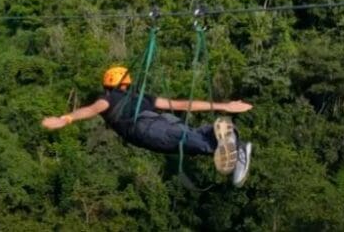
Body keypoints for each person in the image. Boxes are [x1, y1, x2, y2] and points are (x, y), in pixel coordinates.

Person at [41, 65, 254, 186]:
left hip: (145, 130)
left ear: (108, 86)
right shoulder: (141, 96)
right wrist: (223, 106)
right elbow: (181, 104)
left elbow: (91, 109)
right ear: (127, 83)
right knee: (190, 134)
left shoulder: (108, 98)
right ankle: (229, 138)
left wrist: (66, 118)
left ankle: (230, 150)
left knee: (186, 142)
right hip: (163, 120)